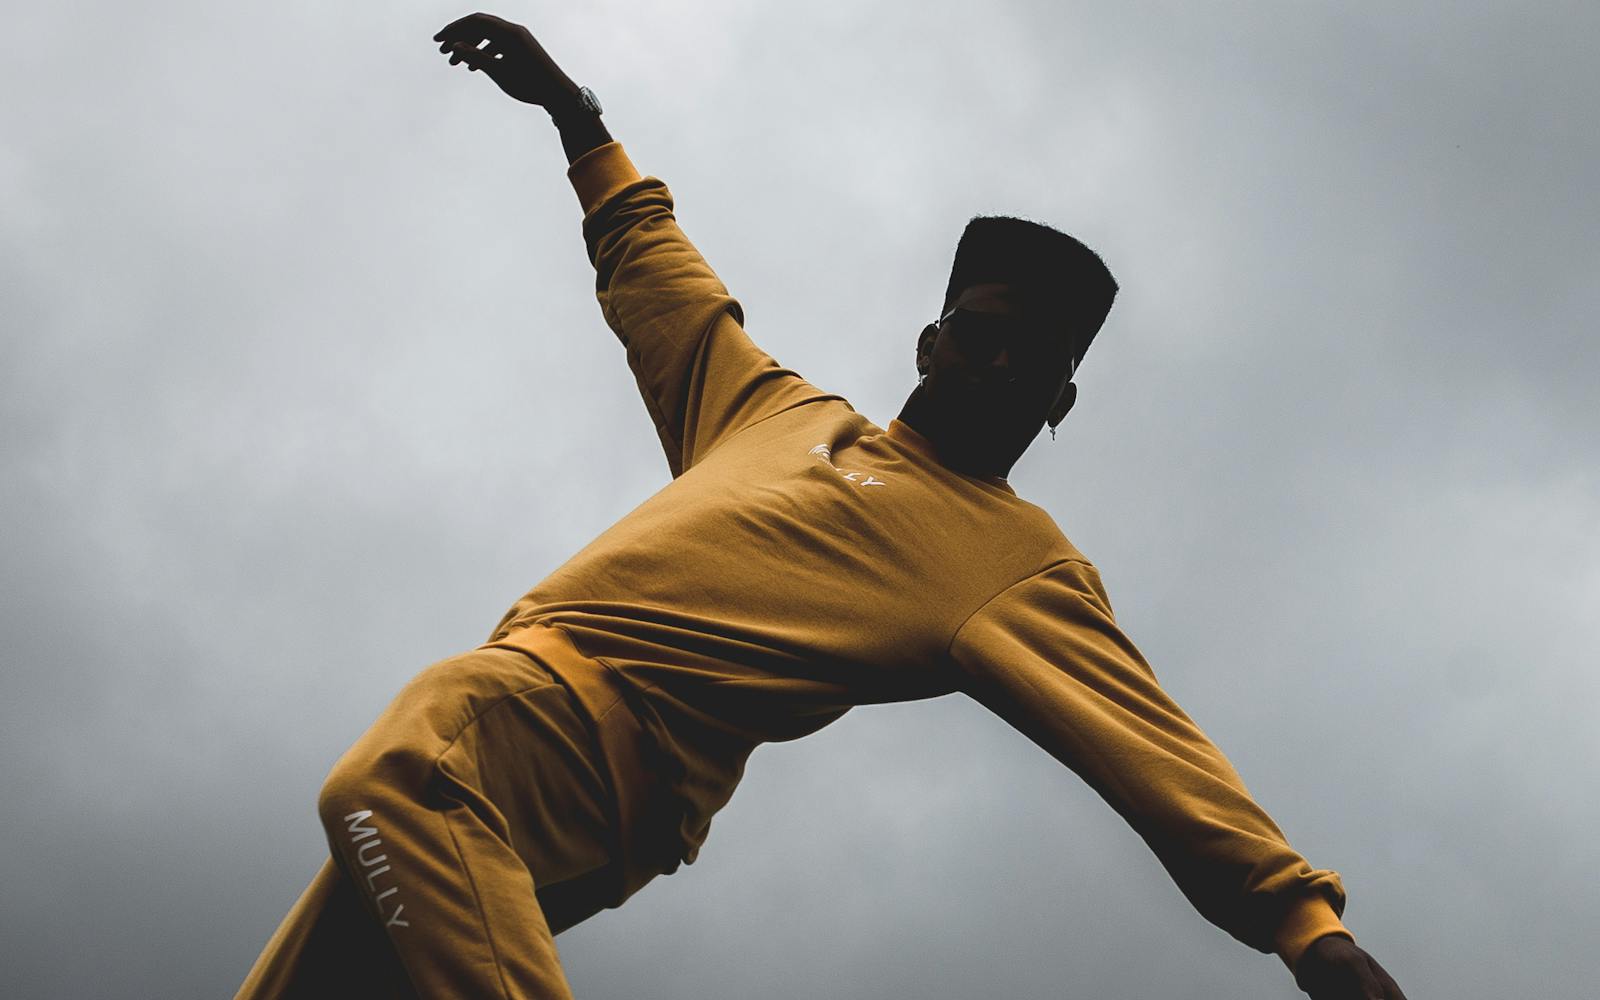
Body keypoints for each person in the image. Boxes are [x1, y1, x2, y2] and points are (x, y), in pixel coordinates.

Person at [235, 12, 1409, 1000]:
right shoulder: (773, 411)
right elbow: (664, 281)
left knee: (388, 769)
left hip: (573, 739)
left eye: (1030, 361)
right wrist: (577, 119)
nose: (996, 366)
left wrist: (1307, 930)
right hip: (542, 766)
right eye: (980, 335)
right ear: (930, 340)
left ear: (1059, 403)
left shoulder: (1009, 561)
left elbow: (1152, 748)